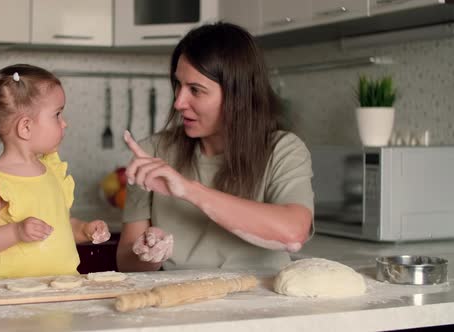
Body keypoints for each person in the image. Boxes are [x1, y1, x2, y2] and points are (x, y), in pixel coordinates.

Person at [116, 22, 314, 273]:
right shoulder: (151, 153)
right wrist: (150, 254)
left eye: (195, 90)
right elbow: (126, 263)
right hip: (178, 306)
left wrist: (188, 190)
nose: (178, 102)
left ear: (238, 96)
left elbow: (294, 233)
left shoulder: (283, 150)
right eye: (178, 84)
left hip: (258, 302)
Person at [0, 64, 110, 280]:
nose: (65, 124)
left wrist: (84, 229)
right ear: (25, 127)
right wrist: (16, 232)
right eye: (57, 114)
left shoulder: (52, 172)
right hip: (9, 296)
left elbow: (59, 227)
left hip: (60, 289)